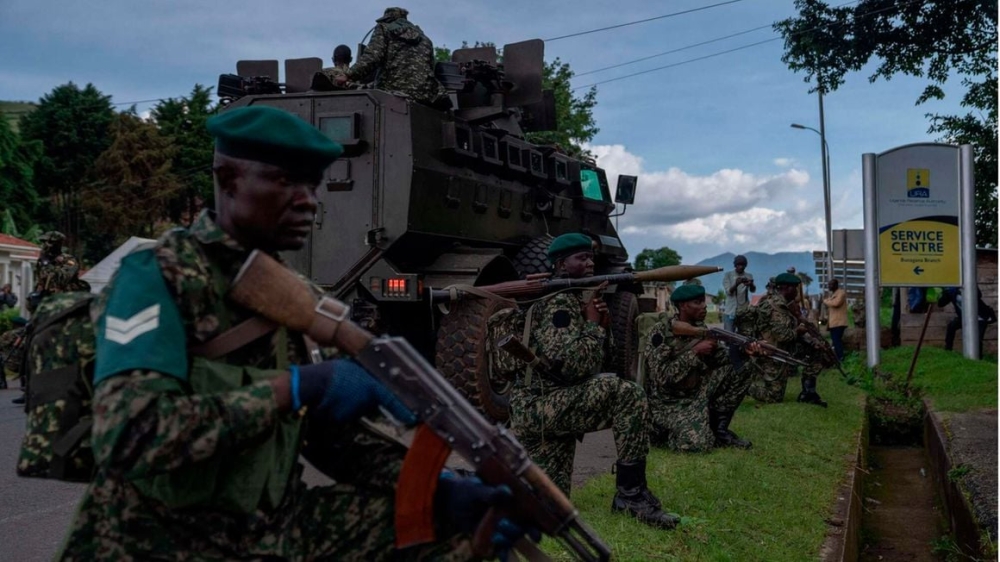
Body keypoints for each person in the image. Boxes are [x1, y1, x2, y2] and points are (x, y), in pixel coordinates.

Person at [56, 106, 523, 561]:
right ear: (227, 179)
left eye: (313, 184)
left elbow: (328, 441)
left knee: (444, 530)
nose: (309, 200)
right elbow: (129, 436)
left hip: (260, 527)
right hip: (155, 537)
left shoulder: (288, 293)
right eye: (286, 182)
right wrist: (296, 387)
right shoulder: (158, 277)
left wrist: (439, 487)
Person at [507, 233, 679, 529]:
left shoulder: (578, 298)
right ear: (561, 264)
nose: (589, 263)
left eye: (591, 257)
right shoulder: (558, 303)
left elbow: (605, 363)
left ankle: (490, 486)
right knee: (629, 395)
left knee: (548, 506)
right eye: (581, 258)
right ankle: (631, 496)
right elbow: (574, 367)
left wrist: (604, 326)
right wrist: (591, 325)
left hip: (554, 400)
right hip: (539, 406)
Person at [643, 284, 754, 452]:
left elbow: (720, 361)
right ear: (682, 306)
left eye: (703, 301)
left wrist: (744, 351)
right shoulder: (661, 333)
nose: (704, 306)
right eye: (697, 302)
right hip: (669, 401)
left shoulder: (700, 328)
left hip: (697, 393)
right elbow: (662, 378)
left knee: (743, 367)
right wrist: (695, 352)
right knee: (696, 446)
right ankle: (664, 430)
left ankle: (719, 431)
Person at [14, 231, 90, 404]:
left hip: (65, 309)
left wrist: (49, 265)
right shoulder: (42, 261)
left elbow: (61, 278)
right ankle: (27, 389)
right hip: (45, 309)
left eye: (47, 243)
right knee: (30, 346)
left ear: (55, 243)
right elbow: (41, 285)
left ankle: (71, 387)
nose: (44, 246)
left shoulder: (68, 260)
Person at [338, 7, 447, 106]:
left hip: (391, 94)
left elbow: (372, 57)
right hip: (424, 96)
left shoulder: (383, 28)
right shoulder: (426, 39)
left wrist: (348, 75)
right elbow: (430, 69)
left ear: (388, 19)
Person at [745, 273, 803, 404]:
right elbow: (782, 336)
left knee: (777, 395)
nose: (797, 292)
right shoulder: (775, 306)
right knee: (773, 397)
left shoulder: (785, 305)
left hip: (778, 353)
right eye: (795, 288)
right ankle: (743, 386)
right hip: (769, 355)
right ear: (786, 288)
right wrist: (798, 331)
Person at [938, 286, 997, 359]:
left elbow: (978, 295)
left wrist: (966, 288)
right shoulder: (952, 292)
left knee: (977, 338)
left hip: (979, 317)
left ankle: (978, 359)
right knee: (951, 326)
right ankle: (948, 350)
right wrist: (944, 293)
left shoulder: (969, 284)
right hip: (964, 317)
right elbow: (941, 304)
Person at [722, 255, 755, 332]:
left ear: (745, 266)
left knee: (745, 335)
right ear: (735, 265)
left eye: (743, 265)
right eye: (739, 265)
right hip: (730, 310)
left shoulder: (749, 275)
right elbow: (729, 292)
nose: (741, 267)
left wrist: (751, 284)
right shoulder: (728, 275)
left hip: (744, 311)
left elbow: (753, 290)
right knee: (729, 336)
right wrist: (736, 284)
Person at [823, 279, 848, 361]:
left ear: (836, 285)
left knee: (837, 341)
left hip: (839, 322)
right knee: (835, 341)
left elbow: (836, 303)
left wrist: (825, 301)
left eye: (831, 285)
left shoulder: (841, 293)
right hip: (834, 323)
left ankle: (840, 358)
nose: (829, 286)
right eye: (829, 284)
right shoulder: (833, 295)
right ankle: (836, 358)